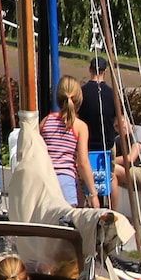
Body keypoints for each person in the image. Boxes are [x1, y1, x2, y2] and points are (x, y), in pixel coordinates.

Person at [41, 76, 98, 207]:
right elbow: (83, 163)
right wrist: (93, 194)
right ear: (79, 99)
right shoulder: (80, 127)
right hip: (65, 182)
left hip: (44, 181)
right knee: (67, 223)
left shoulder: (45, 122)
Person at [79, 55, 128, 207]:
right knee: (110, 176)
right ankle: (114, 211)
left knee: (85, 177)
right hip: (107, 143)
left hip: (87, 143)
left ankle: (89, 208)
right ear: (105, 71)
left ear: (90, 70)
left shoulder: (82, 92)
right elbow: (118, 120)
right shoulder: (112, 94)